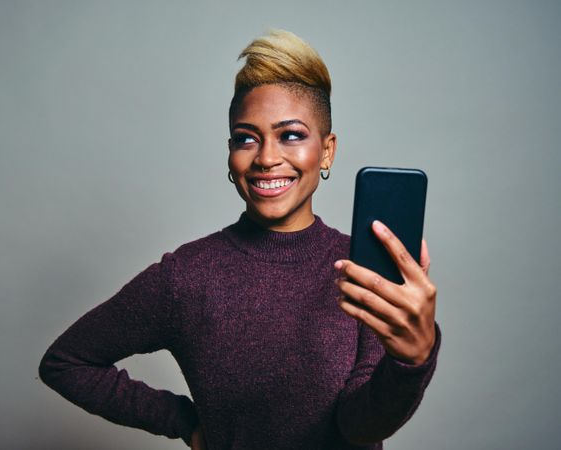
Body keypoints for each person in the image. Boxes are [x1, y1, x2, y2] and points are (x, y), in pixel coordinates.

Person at [38, 29, 440, 450]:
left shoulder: (362, 269)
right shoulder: (187, 276)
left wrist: (410, 361)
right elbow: (66, 362)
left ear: (327, 151)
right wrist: (184, 421)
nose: (266, 158)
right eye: (246, 138)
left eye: (291, 135)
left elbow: (361, 427)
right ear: (230, 152)